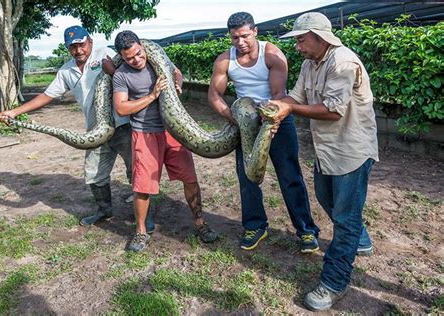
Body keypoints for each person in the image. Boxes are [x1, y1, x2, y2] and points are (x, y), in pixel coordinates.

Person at [267, 12, 379, 311]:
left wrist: (288, 111)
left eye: (302, 40)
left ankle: (334, 282)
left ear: (320, 37)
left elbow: (332, 111)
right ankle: (361, 239)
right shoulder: (308, 64)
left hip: (351, 151)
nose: (298, 46)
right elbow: (296, 96)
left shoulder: (342, 62)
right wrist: (277, 107)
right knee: (326, 199)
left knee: (344, 219)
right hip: (327, 150)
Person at [0, 25, 151, 229]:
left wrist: (112, 72)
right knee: (94, 172)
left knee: (137, 170)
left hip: (124, 125)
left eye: (81, 45)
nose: (78, 50)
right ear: (68, 48)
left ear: (90, 42)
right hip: (96, 130)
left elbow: (132, 73)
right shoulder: (66, 70)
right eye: (73, 47)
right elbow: (47, 95)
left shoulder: (106, 54)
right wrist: (15, 112)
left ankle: (143, 216)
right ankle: (104, 210)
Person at [208, 12, 319, 252]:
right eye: (235, 37)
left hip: (276, 119)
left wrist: (267, 116)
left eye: (245, 36)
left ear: (255, 31)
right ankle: (255, 226)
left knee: (290, 176)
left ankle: (306, 231)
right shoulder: (224, 60)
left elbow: (279, 94)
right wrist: (235, 117)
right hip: (245, 122)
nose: (240, 42)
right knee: (247, 177)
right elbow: (214, 95)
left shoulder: (272, 54)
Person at [112, 30, 218, 252]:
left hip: (173, 130)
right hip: (145, 133)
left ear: (142, 46)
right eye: (130, 58)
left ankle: (200, 223)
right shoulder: (121, 75)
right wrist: (152, 96)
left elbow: (175, 71)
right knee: (142, 187)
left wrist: (177, 83)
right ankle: (141, 232)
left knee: (190, 178)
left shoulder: (156, 58)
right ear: (121, 56)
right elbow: (121, 108)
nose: (137, 60)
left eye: (139, 54)